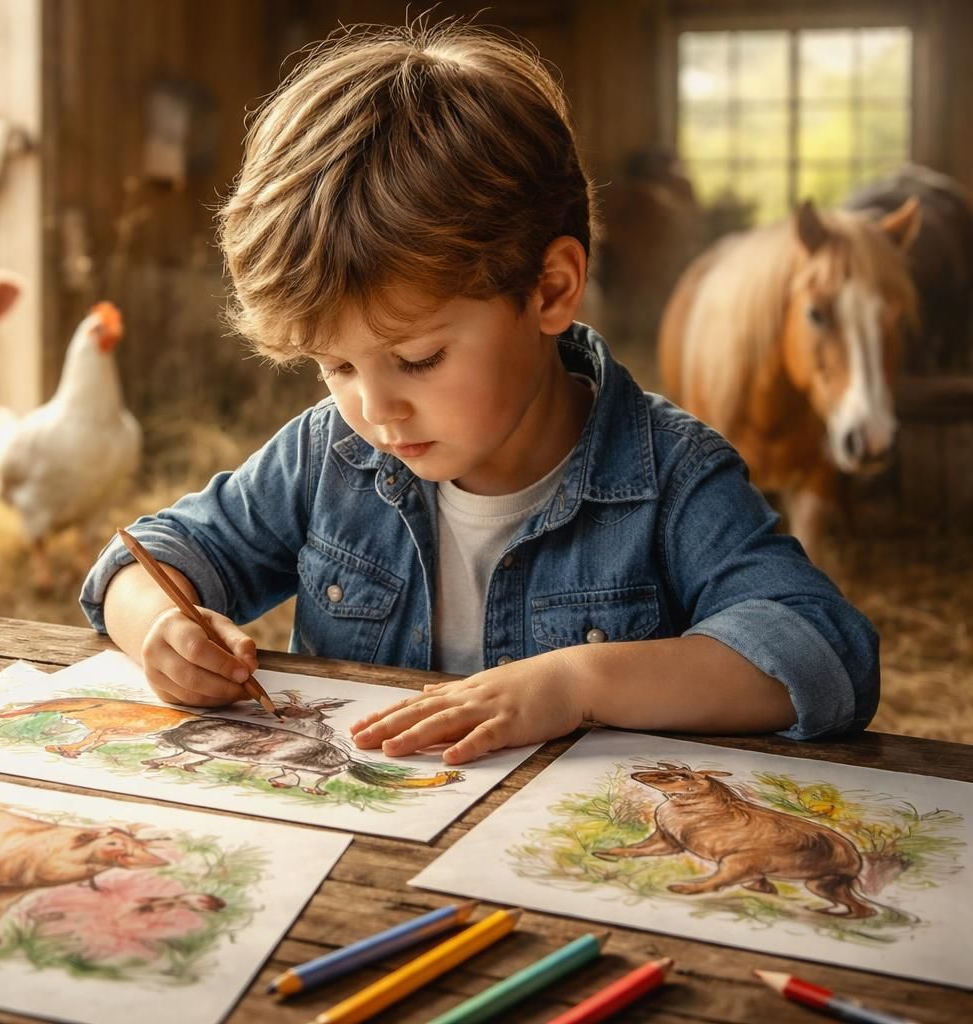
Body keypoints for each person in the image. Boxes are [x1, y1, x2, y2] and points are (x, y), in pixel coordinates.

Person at [78, 24, 878, 765]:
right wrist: (159, 630)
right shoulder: (330, 453)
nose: (376, 411)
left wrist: (577, 685)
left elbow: (821, 653)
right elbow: (143, 560)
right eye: (337, 366)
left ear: (550, 290)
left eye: (418, 359)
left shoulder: (670, 475)